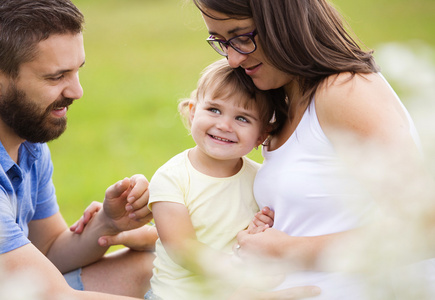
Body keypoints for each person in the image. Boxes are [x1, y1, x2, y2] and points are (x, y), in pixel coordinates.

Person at [191, 0, 435, 299]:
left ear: (284, 20)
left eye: (241, 37)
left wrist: (287, 251)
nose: (231, 59)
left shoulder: (345, 92)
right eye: (220, 41)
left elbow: (426, 229)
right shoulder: (284, 96)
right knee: (131, 266)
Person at [0, 1, 157, 299]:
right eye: (56, 77)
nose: (77, 92)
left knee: (150, 268)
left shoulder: (28, 145)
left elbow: (46, 250)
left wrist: (107, 224)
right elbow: (53, 296)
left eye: (76, 71)